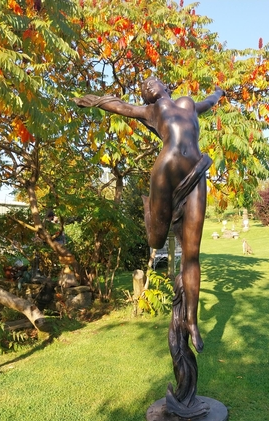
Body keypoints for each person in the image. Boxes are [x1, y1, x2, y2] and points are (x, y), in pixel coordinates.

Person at [74, 77, 225, 355]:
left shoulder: (188, 103)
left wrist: (219, 92)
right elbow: (121, 106)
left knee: (192, 253)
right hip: (166, 170)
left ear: (164, 86)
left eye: (151, 82)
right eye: (143, 89)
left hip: (196, 170)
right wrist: (94, 101)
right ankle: (149, 209)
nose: (147, 87)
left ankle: (191, 321)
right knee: (156, 240)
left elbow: (209, 102)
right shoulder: (152, 111)